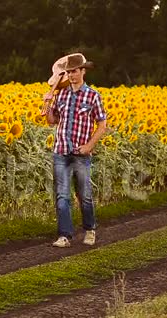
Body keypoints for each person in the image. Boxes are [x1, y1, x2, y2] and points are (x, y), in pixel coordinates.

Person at [41, 53, 107, 248]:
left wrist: (89, 146)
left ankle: (90, 229)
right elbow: (52, 121)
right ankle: (65, 236)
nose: (71, 75)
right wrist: (48, 104)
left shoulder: (93, 96)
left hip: (81, 153)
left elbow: (102, 124)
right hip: (60, 150)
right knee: (62, 195)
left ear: (83, 71)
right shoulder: (61, 94)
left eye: (75, 71)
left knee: (84, 194)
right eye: (68, 72)